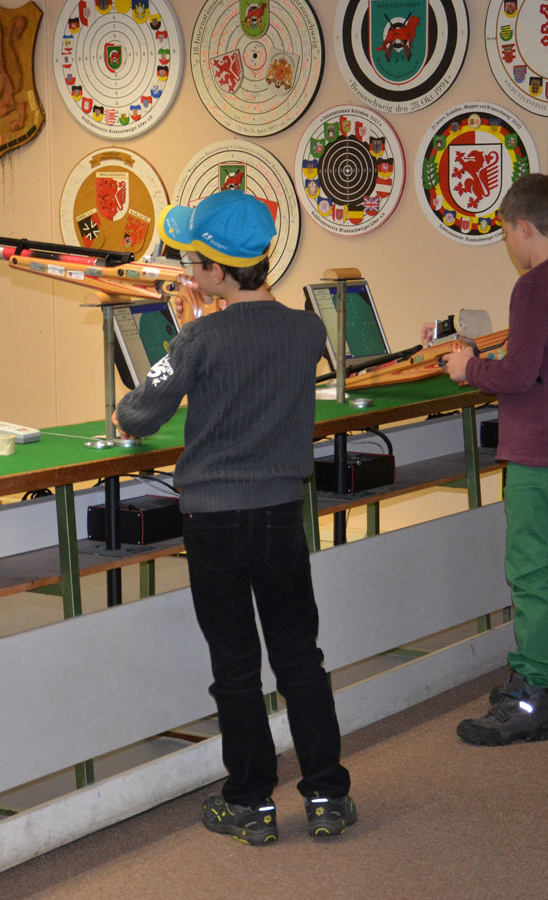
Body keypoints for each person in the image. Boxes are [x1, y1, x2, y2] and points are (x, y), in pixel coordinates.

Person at [113, 190, 355, 843]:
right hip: (280, 514)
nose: (188, 272)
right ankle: (327, 796)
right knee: (300, 658)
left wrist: (187, 332)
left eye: (194, 262)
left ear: (216, 271)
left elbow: (139, 412)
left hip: (213, 522)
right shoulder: (307, 330)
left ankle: (251, 802)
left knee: (236, 665)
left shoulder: (197, 338)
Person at [433, 173, 548, 746]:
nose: (508, 243)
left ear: (523, 227)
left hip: (539, 446)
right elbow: (540, 359)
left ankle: (531, 696)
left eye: (506, 232)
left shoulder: (532, 287)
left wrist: (467, 369)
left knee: (530, 570)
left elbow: (518, 374)